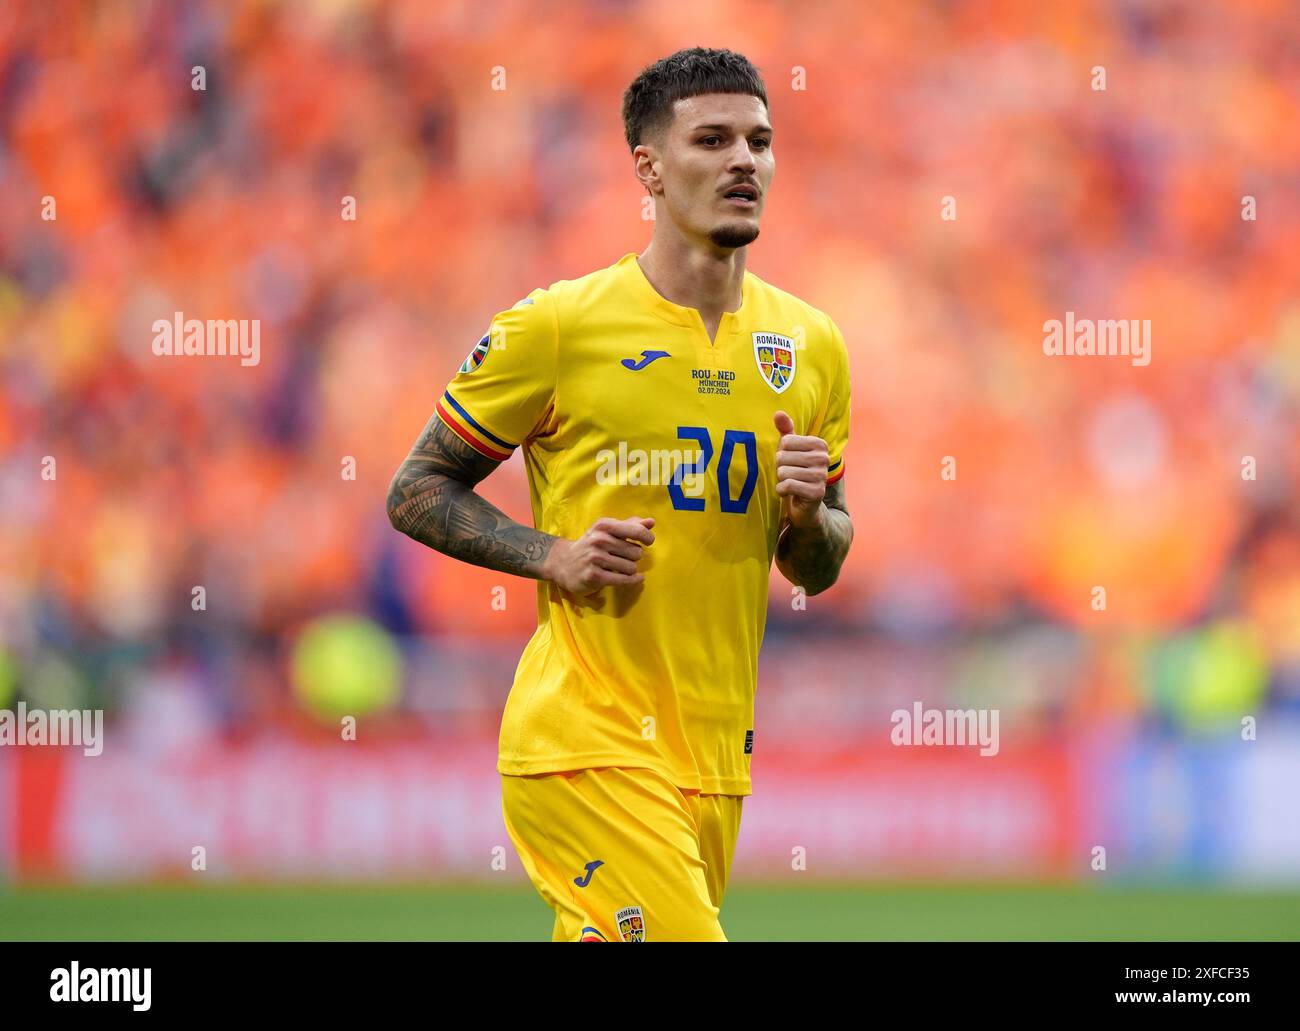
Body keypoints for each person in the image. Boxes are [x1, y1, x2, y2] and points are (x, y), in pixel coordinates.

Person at [388, 46, 853, 941]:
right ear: (648, 165)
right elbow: (416, 488)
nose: (742, 162)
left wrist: (808, 515)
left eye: (759, 140)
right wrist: (549, 554)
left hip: (714, 757)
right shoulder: (560, 326)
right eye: (712, 139)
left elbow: (818, 566)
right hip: (586, 740)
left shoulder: (811, 345)